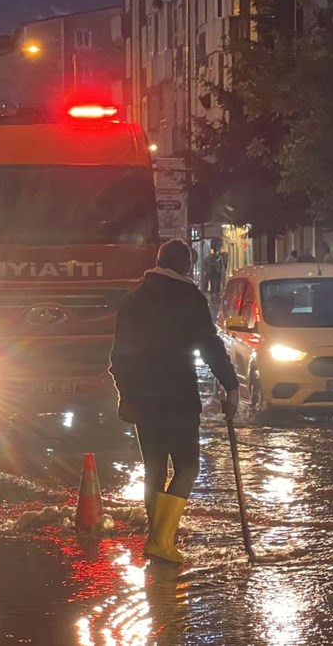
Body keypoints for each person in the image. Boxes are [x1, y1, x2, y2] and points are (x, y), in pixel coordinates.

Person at [110, 239, 239, 563]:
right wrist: (231, 386)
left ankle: (156, 537)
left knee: (153, 468)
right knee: (188, 467)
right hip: (178, 398)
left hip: (142, 400)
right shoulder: (189, 299)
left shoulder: (132, 301)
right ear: (185, 267)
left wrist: (127, 392)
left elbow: (118, 358)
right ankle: (161, 540)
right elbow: (209, 346)